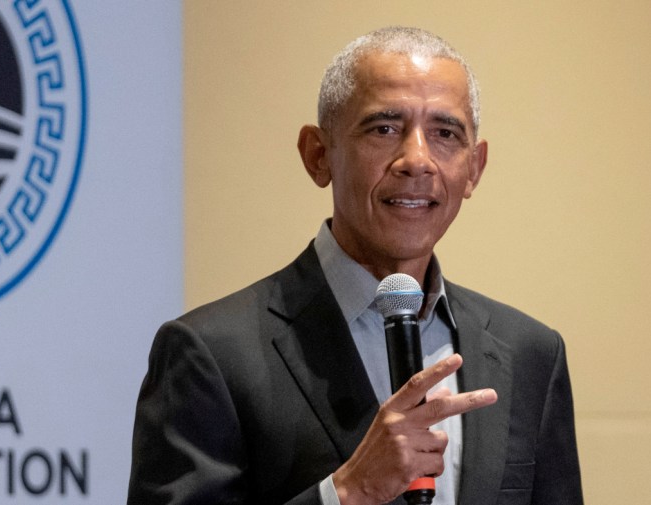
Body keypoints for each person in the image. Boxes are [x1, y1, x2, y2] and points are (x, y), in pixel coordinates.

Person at [128, 26, 583, 505]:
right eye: (384, 128)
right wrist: (348, 491)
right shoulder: (212, 354)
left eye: (445, 133)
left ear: (474, 168)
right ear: (318, 155)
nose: (417, 160)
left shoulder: (530, 353)